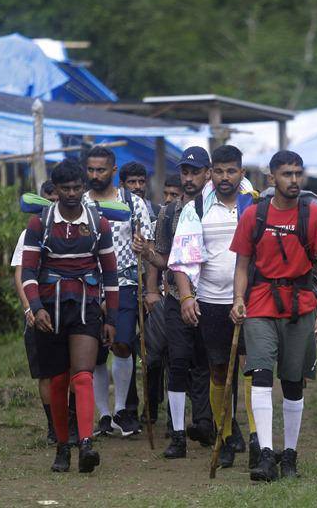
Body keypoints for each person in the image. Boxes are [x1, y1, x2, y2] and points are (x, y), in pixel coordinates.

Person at [230, 150, 317, 481]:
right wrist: (237, 298)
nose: (294, 180)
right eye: (287, 174)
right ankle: (265, 454)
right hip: (260, 303)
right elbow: (242, 264)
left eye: (297, 174)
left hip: (302, 305)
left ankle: (289, 455)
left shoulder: (315, 215)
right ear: (271, 177)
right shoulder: (254, 215)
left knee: (293, 382)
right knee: (260, 375)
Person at [21, 160, 119, 473]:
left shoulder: (98, 223)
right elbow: (27, 272)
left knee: (82, 375)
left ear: (83, 188)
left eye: (78, 188)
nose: (73, 193)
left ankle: (86, 443)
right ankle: (63, 448)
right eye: (66, 189)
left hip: (86, 307)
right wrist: (36, 308)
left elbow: (111, 273)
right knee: (59, 379)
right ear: (57, 189)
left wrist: (111, 318)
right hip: (50, 310)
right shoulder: (40, 224)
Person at [169, 145, 257, 469]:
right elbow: (180, 258)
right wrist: (186, 296)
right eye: (218, 171)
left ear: (241, 173)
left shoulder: (254, 204)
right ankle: (226, 433)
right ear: (211, 173)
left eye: (231, 171)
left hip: (252, 300)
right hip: (210, 300)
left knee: (254, 366)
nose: (224, 177)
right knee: (219, 369)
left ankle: (258, 439)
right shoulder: (197, 208)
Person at [135, 146, 214, 459]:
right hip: (175, 297)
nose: (189, 177)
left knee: (209, 363)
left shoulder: (218, 210)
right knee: (177, 362)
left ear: (208, 172)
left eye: (195, 171)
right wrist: (146, 253)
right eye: (185, 171)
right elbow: (164, 259)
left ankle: (211, 424)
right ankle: (178, 434)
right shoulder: (169, 212)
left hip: (212, 296)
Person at [85, 147, 153, 437]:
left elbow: (149, 247)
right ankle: (103, 415)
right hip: (88, 284)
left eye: (101, 170)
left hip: (124, 282)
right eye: (91, 170)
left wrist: (143, 247)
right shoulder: (81, 203)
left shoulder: (132, 202)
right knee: (96, 353)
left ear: (114, 172)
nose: (95, 175)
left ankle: (122, 409)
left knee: (122, 344)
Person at [12, 181, 60, 444]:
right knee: (45, 374)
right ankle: (53, 427)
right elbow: (21, 275)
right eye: (48, 199)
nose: (52, 203)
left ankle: (71, 424)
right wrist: (29, 307)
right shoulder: (29, 232)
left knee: (72, 370)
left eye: (57, 198)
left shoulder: (74, 229)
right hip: (37, 308)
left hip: (66, 308)